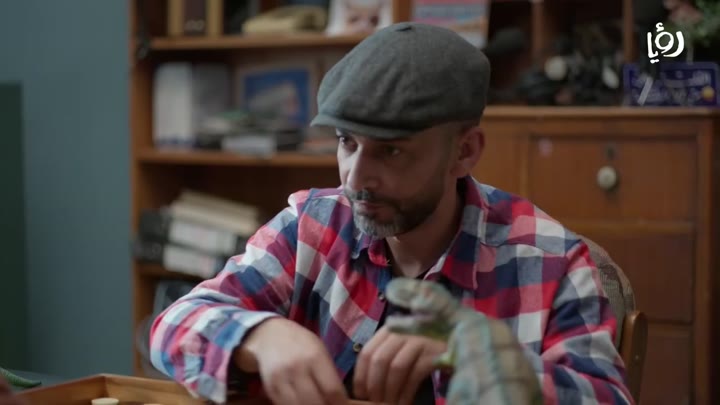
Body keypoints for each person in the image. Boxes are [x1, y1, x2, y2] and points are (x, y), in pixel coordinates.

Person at [149, 22, 633, 405]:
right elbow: (173, 325)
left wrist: (489, 364)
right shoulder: (311, 227)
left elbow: (605, 396)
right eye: (347, 143)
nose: (356, 178)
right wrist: (261, 336)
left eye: (392, 151)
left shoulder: (551, 260)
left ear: (464, 151)